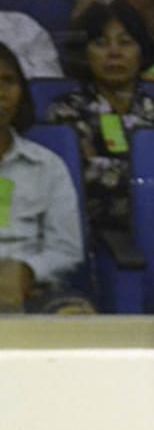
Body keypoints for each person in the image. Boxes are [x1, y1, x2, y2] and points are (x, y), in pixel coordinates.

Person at [45, 0, 154, 254]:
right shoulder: (66, 112)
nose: (114, 52)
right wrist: (151, 180)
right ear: (84, 52)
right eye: (101, 43)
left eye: (125, 42)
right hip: (93, 238)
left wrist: (104, 165)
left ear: (142, 51)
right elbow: (82, 180)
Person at [0, 43, 89, 315]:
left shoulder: (47, 166)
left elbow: (67, 249)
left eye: (8, 82)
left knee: (77, 317)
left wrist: (28, 270)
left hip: (32, 288)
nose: (0, 93)